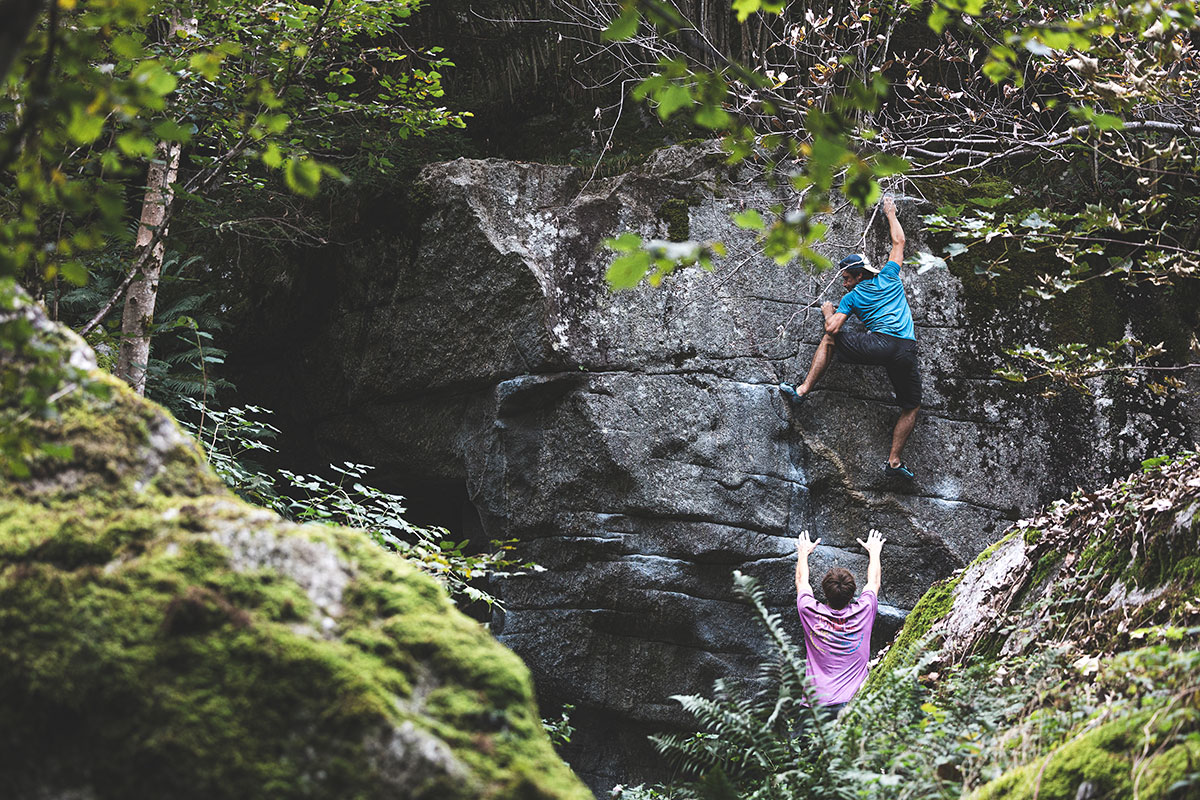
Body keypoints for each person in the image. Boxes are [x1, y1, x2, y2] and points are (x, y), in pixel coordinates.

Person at [780, 196, 921, 479]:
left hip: (880, 344)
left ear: (857, 276)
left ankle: (802, 391)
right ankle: (894, 462)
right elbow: (899, 243)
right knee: (912, 406)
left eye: (845, 278)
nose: (843, 283)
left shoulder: (852, 297)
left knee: (829, 340)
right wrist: (890, 214)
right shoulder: (889, 275)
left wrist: (828, 312)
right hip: (906, 349)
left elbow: (832, 329)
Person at [794, 528, 883, 716]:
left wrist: (803, 554)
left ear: (825, 592)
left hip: (814, 708)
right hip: (851, 706)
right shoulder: (865, 610)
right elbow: (874, 582)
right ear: (853, 593)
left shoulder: (809, 610)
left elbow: (802, 582)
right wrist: (874, 552)